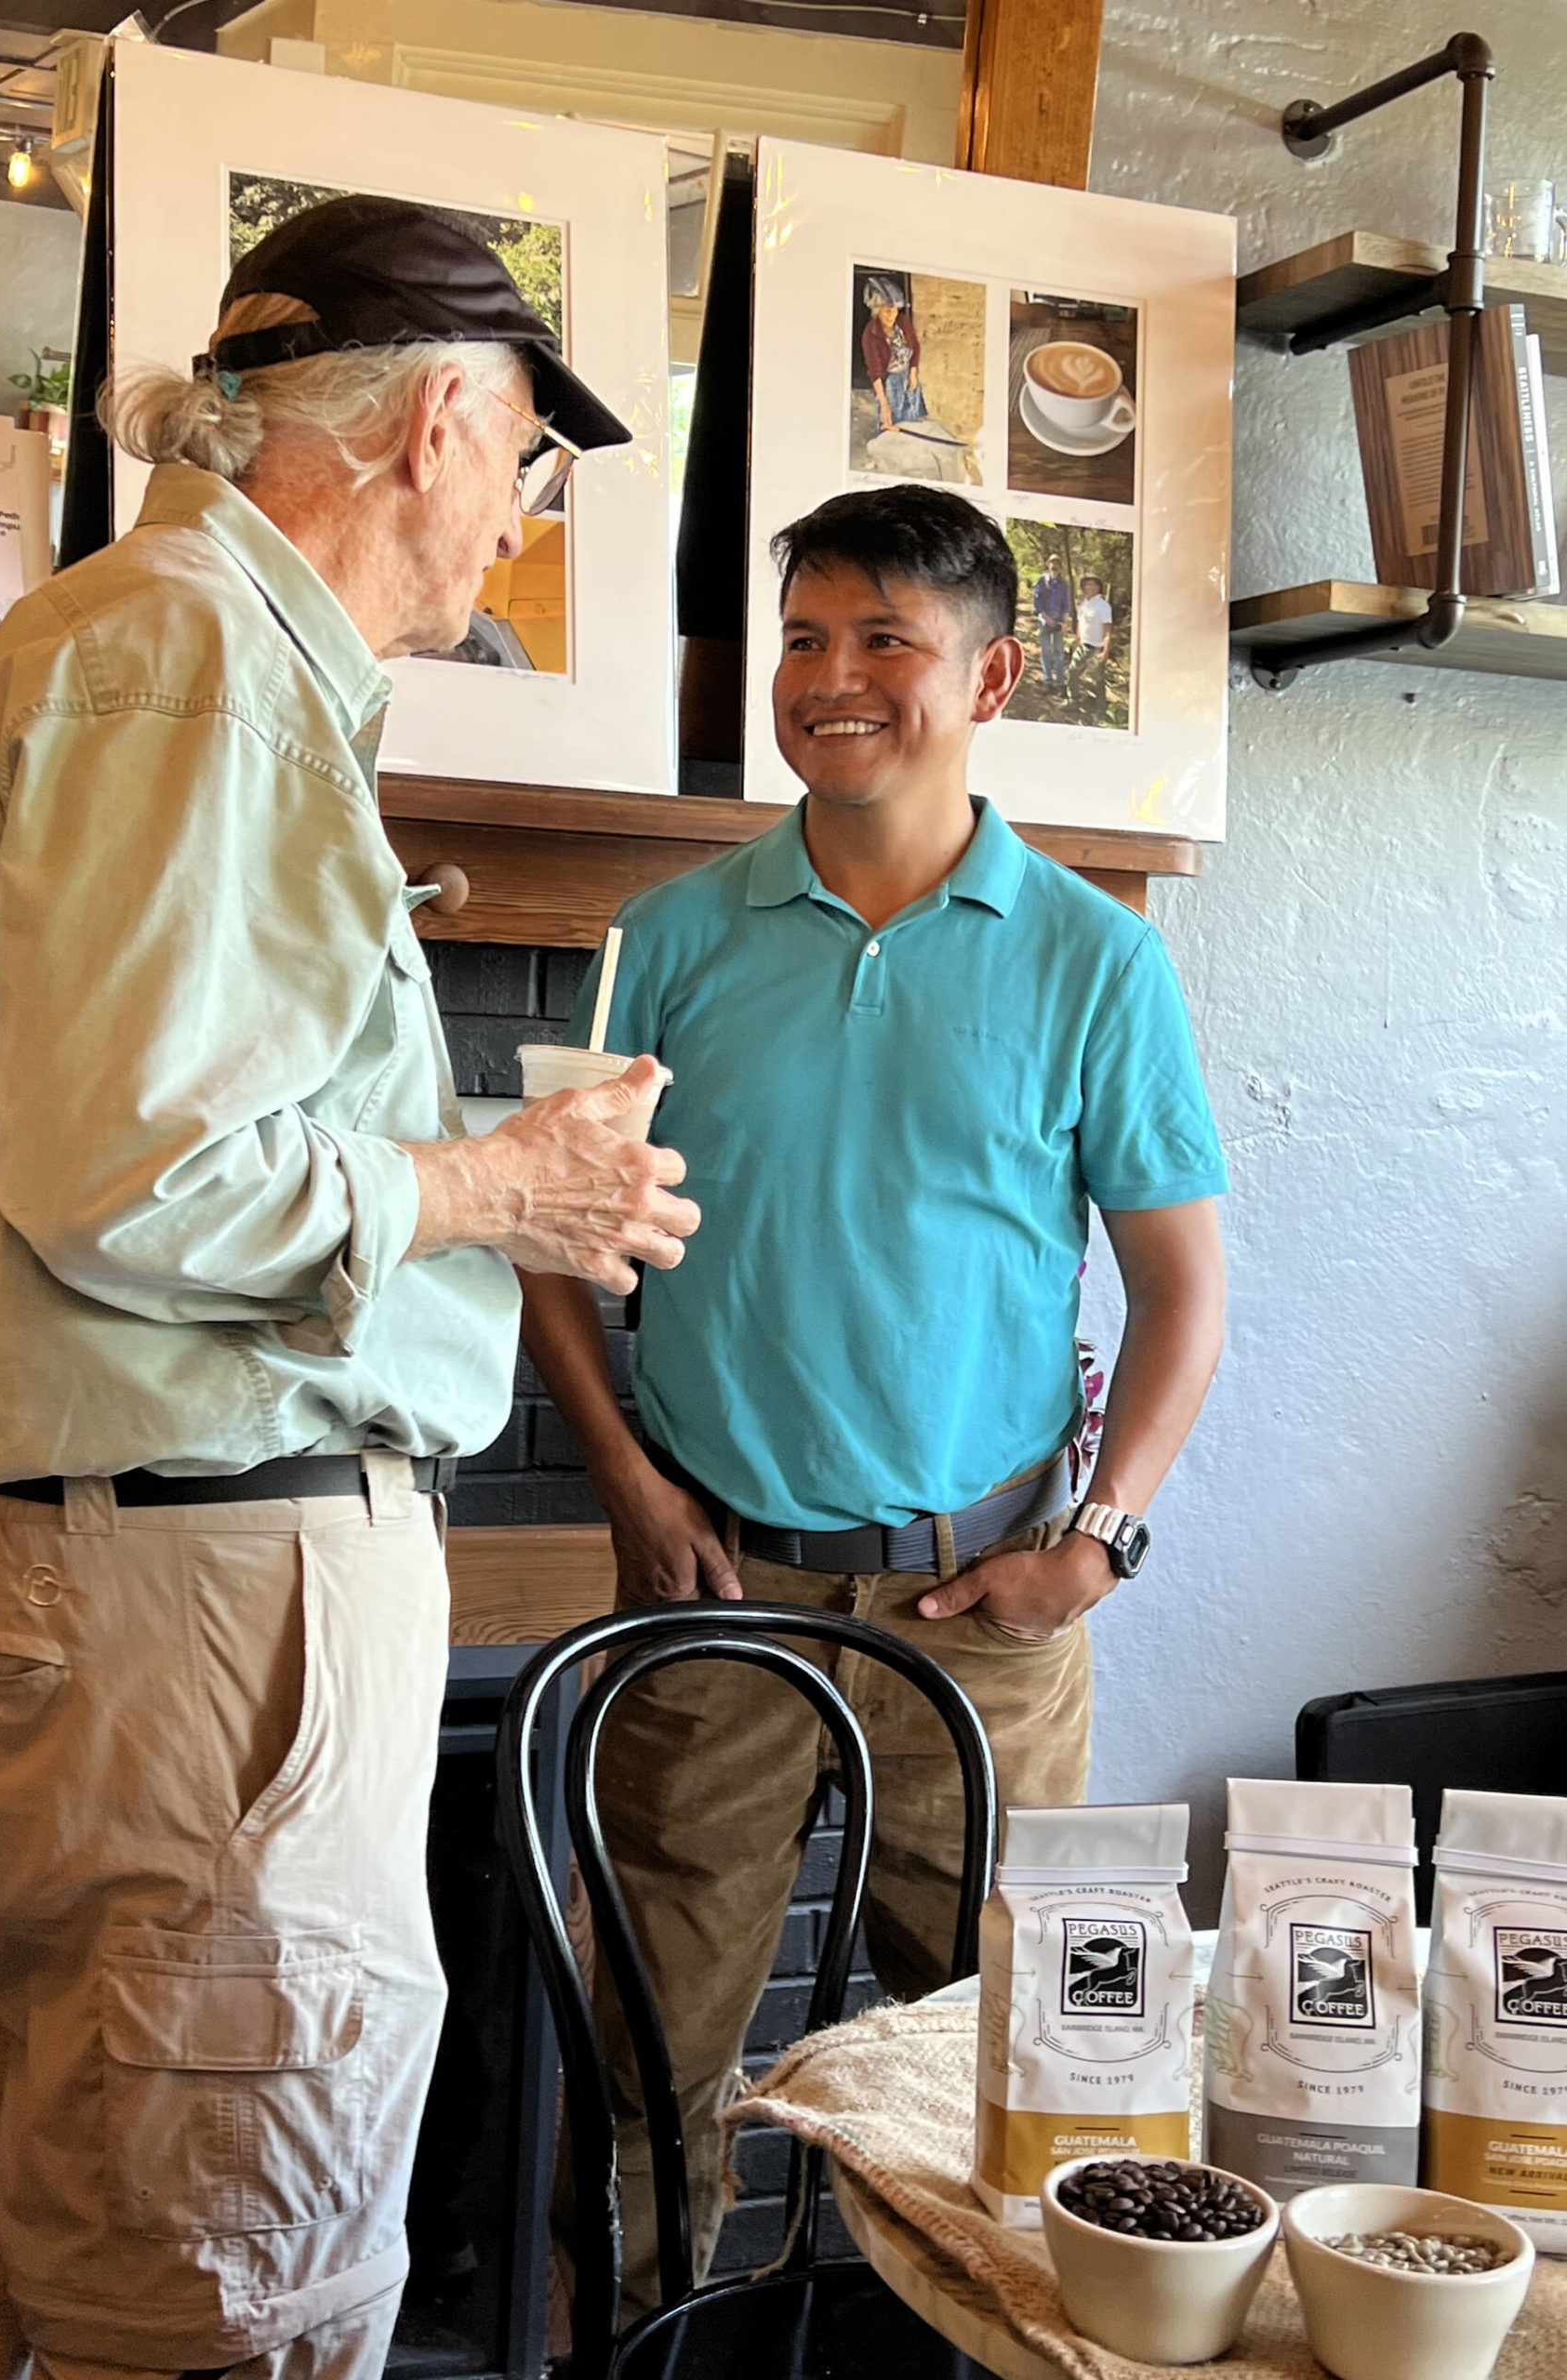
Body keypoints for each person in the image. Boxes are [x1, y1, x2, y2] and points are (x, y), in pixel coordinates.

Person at [0, 195, 699, 2380]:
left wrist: (494, 1193)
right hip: (211, 1615)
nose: (520, 520)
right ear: (437, 422)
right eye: (529, 460)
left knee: (35, 2231)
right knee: (232, 2288)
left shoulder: (146, 644)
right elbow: (138, 1172)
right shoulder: (200, 665)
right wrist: (491, 1181)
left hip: (142, 1590)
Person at [521, 483, 1228, 2315]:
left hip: (987, 1611)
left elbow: (1182, 1289)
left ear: (988, 676)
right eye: (805, 637)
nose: (832, 677)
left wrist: (1102, 1540)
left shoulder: (1095, 958)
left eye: (884, 639)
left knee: (1027, 2072)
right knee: (645, 2065)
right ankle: (636, 2345)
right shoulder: (666, 935)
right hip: (713, 1592)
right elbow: (549, 1240)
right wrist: (629, 1487)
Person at [859, 274, 926, 437]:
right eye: (887, 311)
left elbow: (915, 346)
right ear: (877, 311)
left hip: (908, 377)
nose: (892, 315)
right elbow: (875, 371)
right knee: (891, 424)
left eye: (895, 310)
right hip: (891, 383)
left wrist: (912, 372)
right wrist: (883, 402)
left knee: (912, 422)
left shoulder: (903, 323)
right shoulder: (870, 335)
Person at [1069, 570, 1115, 721]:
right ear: (1084, 587)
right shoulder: (1084, 603)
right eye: (1088, 584)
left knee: (1098, 680)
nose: (1090, 587)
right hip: (1083, 646)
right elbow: (1080, 624)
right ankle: (1074, 700)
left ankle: (1100, 711)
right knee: (1073, 671)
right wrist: (1076, 640)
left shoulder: (1103, 606)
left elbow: (1108, 632)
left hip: (1096, 648)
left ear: (1098, 587)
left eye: (1093, 584)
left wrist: (1105, 652)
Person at [1031, 552, 1074, 693]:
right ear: (1048, 564)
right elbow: (1037, 601)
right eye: (1052, 563)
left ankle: (1060, 683)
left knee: (1059, 652)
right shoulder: (1042, 580)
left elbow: (1066, 604)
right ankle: (1047, 680)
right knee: (1046, 651)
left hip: (1059, 622)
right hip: (1044, 620)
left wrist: (1064, 623)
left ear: (1060, 566)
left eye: (1057, 563)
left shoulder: (1063, 584)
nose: (1054, 565)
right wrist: (1046, 618)